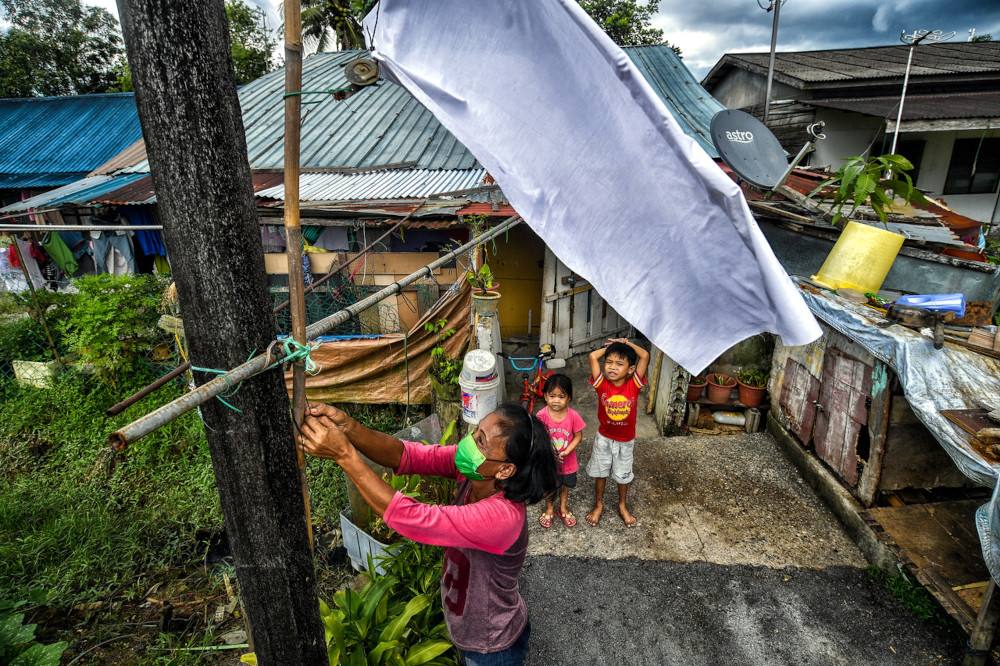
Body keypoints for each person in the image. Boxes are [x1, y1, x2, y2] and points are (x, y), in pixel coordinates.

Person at [300, 402, 557, 666]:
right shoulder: (475, 473)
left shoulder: (501, 518)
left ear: (504, 470)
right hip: (469, 629)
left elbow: (409, 516)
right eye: (476, 431)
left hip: (491, 647)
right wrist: (349, 427)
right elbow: (405, 455)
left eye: (481, 441)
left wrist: (344, 455)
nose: (468, 442)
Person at [585, 337, 650, 528]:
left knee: (623, 475)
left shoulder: (634, 385)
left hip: (625, 440)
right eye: (609, 362)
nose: (612, 367)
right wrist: (611, 349)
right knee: (601, 472)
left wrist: (626, 343)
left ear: (630, 369)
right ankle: (599, 504)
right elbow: (592, 356)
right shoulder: (601, 384)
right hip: (604, 438)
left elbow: (644, 355)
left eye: (619, 364)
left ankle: (622, 505)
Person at [535, 374, 586, 528]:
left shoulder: (573, 416)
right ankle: (549, 507)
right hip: (548, 461)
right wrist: (550, 452)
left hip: (567, 461)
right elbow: (539, 438)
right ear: (545, 396)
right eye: (552, 396)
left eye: (561, 396)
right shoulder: (541, 416)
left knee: (564, 484)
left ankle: (562, 507)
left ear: (568, 398)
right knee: (549, 485)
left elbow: (578, 436)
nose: (556, 400)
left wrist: (566, 451)